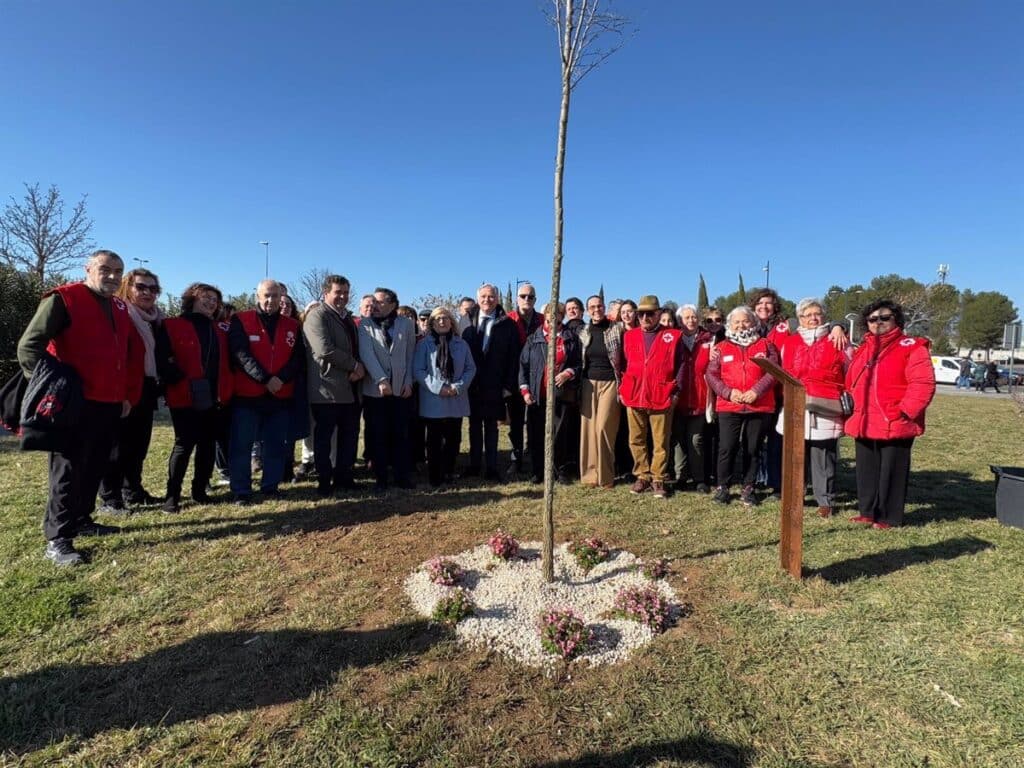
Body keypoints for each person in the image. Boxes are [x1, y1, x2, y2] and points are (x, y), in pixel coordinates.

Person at [17, 249, 144, 565]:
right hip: (74, 405)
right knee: (68, 471)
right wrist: (52, 388)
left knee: (96, 465)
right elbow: (28, 346)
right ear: (88, 269)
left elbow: (127, 354)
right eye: (105, 269)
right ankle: (58, 538)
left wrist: (127, 395)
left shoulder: (118, 306)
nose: (112, 276)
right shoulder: (64, 298)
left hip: (109, 403)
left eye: (118, 270)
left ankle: (83, 519)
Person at [845, 299, 936, 528]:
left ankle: (888, 516)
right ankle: (867, 510)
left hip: (895, 419)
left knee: (892, 472)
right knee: (867, 469)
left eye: (884, 318)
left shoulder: (912, 346)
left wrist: (906, 411)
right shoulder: (864, 348)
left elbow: (923, 382)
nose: (878, 323)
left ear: (896, 320)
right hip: (864, 418)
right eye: (873, 319)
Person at [157, 283, 233, 512]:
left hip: (215, 396)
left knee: (208, 445)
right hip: (184, 395)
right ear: (192, 298)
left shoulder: (221, 328)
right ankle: (172, 496)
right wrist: (178, 376)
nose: (211, 302)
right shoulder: (172, 325)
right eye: (206, 297)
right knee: (184, 444)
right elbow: (162, 358)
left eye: (215, 299)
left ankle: (199, 490)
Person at [228, 279, 304, 504]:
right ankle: (241, 490)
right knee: (242, 445)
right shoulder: (241, 320)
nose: (271, 300)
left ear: (282, 297)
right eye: (266, 295)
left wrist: (280, 379)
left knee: (275, 444)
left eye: (275, 295)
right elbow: (240, 354)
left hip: (280, 395)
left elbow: (297, 358)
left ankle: (270, 486)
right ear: (258, 297)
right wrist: (264, 378)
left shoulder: (292, 325)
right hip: (248, 395)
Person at [777, 298, 851, 517]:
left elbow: (850, 372)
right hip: (796, 404)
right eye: (807, 315)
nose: (813, 318)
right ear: (799, 318)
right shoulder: (789, 343)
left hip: (826, 405)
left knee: (823, 456)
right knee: (796, 456)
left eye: (817, 314)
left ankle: (825, 500)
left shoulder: (838, 341)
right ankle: (796, 496)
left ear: (824, 316)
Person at [98, 267, 165, 511]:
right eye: (141, 287)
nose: (147, 292)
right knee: (116, 446)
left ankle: (133, 491)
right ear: (128, 287)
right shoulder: (120, 314)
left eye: (152, 288)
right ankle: (110, 498)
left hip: (146, 386)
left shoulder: (155, 319)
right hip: (123, 387)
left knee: (138, 445)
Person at [705, 305, 779, 507]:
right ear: (730, 325)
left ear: (754, 323)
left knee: (753, 448)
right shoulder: (720, 348)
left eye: (745, 321)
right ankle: (723, 487)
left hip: (759, 405)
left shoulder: (766, 345)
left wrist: (756, 391)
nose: (741, 325)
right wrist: (729, 393)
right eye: (736, 322)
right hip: (730, 405)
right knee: (727, 447)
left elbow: (773, 372)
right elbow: (711, 375)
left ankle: (749, 487)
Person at [303, 275, 365, 497]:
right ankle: (324, 479)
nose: (343, 297)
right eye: (338, 292)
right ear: (326, 293)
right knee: (324, 439)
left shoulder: (347, 318)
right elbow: (323, 349)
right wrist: (354, 365)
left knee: (348, 436)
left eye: (346, 292)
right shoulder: (317, 316)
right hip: (326, 389)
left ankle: (344, 476)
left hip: (349, 390)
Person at [619, 295, 684, 499]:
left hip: (661, 394)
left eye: (650, 313)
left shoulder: (673, 336)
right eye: (641, 314)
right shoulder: (629, 336)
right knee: (636, 439)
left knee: (660, 441)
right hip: (635, 394)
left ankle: (658, 478)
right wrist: (623, 389)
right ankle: (642, 475)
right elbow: (622, 364)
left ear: (658, 314)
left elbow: (682, 366)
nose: (645, 317)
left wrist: (676, 392)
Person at [358, 287, 417, 490]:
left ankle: (402, 476)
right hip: (376, 391)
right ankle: (381, 478)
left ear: (392, 304)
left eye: (380, 302)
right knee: (378, 434)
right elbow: (367, 354)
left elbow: (410, 355)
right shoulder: (365, 325)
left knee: (400, 434)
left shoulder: (406, 324)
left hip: (401, 389)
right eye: (373, 301)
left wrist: (408, 381)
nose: (374, 305)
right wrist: (381, 380)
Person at [462, 283, 519, 482]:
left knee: (492, 427)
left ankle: (492, 467)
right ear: (478, 298)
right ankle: (474, 465)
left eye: (491, 296)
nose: (487, 300)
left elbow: (514, 358)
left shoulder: (507, 324)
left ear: (497, 298)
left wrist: (508, 386)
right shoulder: (466, 321)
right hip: (471, 384)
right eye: (484, 296)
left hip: (496, 384)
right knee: (474, 425)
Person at [413, 307, 476, 487]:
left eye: (446, 318)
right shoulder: (424, 344)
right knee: (433, 441)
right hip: (433, 400)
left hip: (456, 399)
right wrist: (438, 387)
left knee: (453, 439)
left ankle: (448, 471)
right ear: (432, 323)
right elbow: (418, 370)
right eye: (438, 319)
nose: (442, 322)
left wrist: (458, 387)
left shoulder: (462, 344)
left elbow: (470, 368)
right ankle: (435, 476)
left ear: (451, 322)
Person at [518, 302, 580, 484]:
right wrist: (525, 390)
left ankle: (559, 470)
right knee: (536, 435)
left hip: (560, 396)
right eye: (550, 313)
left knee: (559, 434)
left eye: (559, 313)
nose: (554, 317)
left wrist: (568, 373)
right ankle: (538, 471)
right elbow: (523, 366)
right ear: (544, 315)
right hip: (538, 396)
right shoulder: (533, 339)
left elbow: (578, 363)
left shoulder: (570, 339)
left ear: (563, 316)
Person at [578, 294, 623, 489]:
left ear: (604, 307)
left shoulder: (616, 329)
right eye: (592, 307)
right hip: (588, 383)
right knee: (588, 430)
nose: (596, 310)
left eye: (599, 306)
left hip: (610, 383)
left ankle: (606, 476)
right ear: (588, 311)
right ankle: (589, 475)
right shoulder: (584, 331)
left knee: (604, 428)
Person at [672, 304, 713, 493]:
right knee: (679, 439)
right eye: (686, 318)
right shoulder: (674, 340)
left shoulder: (709, 340)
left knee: (696, 439)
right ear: (680, 321)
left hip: (699, 398)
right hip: (678, 399)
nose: (691, 321)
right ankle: (681, 476)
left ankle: (699, 478)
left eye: (694, 317)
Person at [505, 282, 543, 476]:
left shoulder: (543, 320)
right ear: (516, 298)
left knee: (536, 421)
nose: (526, 299)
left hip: (536, 379)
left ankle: (536, 457)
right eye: (522, 296)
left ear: (535, 299)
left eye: (530, 296)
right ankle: (516, 459)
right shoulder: (507, 320)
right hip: (513, 378)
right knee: (516, 422)